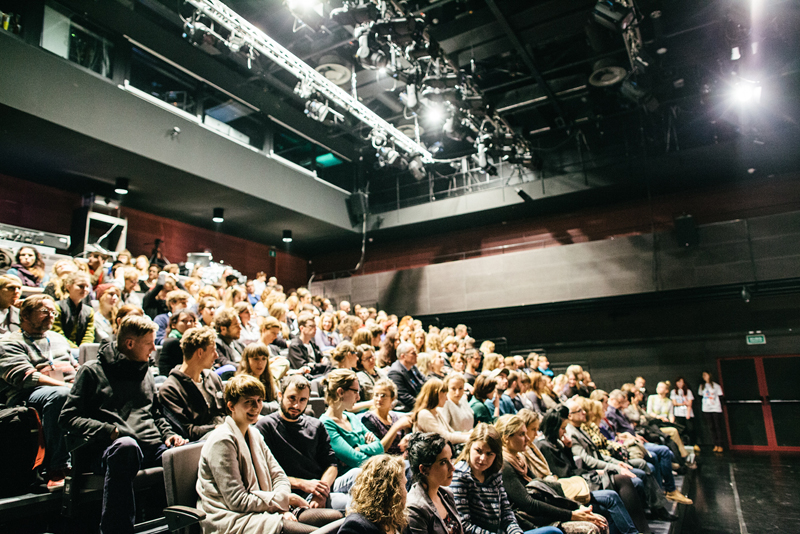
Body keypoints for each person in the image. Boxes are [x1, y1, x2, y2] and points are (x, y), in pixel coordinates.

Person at [59, 315, 188, 534]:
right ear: (130, 343)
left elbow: (155, 413)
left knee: (189, 451)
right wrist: (108, 430)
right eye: (149, 343)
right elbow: (68, 417)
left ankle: (186, 527)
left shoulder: (144, 370)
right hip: (109, 450)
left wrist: (168, 435)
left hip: (150, 445)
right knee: (126, 447)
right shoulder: (91, 371)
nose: (153, 349)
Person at [197, 374, 338, 534]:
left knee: (336, 518)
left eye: (258, 400)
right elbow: (237, 501)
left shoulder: (254, 434)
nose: (256, 407)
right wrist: (285, 500)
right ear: (231, 406)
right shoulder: (222, 440)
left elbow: (279, 476)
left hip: (267, 507)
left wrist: (282, 505)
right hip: (233, 517)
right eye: (248, 402)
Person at [0, 294, 75, 489]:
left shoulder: (58, 339)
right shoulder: (9, 342)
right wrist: (65, 387)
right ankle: (57, 468)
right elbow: (25, 377)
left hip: (66, 388)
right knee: (60, 396)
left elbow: (75, 366)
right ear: (24, 315)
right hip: (28, 395)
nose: (51, 315)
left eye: (53, 312)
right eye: (44, 312)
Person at [256, 375, 360, 512]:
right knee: (350, 503)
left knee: (360, 474)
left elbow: (331, 465)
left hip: (321, 487)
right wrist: (303, 484)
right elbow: (264, 474)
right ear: (280, 396)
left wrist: (320, 492)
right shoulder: (265, 427)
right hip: (294, 492)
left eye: (302, 400)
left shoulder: (316, 425)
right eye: (292, 398)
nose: (296, 405)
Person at [535, 408, 645, 534]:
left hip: (579, 480)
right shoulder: (544, 445)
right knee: (613, 494)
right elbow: (565, 473)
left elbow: (571, 467)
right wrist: (596, 472)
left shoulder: (557, 443)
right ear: (553, 428)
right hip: (572, 486)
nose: (565, 432)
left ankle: (637, 530)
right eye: (562, 428)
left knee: (622, 481)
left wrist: (567, 449)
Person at [495, 415, 608, 534]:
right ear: (506, 438)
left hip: (541, 514)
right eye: (522, 434)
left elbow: (545, 489)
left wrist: (577, 507)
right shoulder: (504, 465)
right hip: (528, 522)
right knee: (591, 528)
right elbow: (529, 504)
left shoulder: (519, 458)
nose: (527, 438)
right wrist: (572, 515)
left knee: (599, 519)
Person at [450, 423, 561, 534]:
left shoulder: (494, 474)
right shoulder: (460, 476)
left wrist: (515, 532)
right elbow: (464, 525)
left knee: (553, 532)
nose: (483, 458)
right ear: (469, 447)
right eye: (478, 451)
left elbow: (506, 513)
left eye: (489, 454)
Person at [320, 369, 403, 469]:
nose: (358, 397)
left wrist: (359, 448)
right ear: (340, 392)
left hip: (368, 472)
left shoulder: (351, 417)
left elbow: (380, 447)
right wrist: (368, 447)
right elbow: (356, 460)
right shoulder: (326, 424)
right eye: (355, 392)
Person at [158, 326, 226, 441]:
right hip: (200, 444)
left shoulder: (213, 377)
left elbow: (227, 410)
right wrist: (216, 428)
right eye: (213, 350)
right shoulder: (170, 389)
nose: (216, 355)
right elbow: (187, 430)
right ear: (200, 352)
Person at [405, 432, 463, 534]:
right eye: (443, 462)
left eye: (450, 459)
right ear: (424, 469)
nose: (452, 467)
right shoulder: (415, 509)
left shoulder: (446, 494)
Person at [337, 455, 407, 534]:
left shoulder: (399, 520)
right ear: (392, 491)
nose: (406, 492)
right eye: (404, 485)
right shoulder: (355, 527)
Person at [361, 378, 412, 455]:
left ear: (392, 399)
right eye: (376, 395)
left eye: (383, 396)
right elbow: (377, 451)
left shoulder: (394, 416)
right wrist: (395, 428)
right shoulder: (368, 419)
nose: (379, 399)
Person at [412, 378, 469, 445]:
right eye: (445, 395)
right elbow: (444, 437)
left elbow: (451, 432)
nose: (446, 399)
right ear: (437, 394)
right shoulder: (424, 414)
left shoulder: (436, 411)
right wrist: (468, 438)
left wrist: (469, 434)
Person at [51, 271, 95, 348]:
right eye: (80, 286)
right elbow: (57, 332)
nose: (85, 289)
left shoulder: (89, 311)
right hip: (60, 347)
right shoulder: (57, 307)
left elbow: (89, 335)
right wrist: (75, 348)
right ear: (68, 287)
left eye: (87, 286)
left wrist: (83, 348)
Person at [236, 343, 280, 415]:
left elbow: (280, 403)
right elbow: (253, 407)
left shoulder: (268, 380)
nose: (260, 363)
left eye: (264, 359)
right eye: (256, 359)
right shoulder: (242, 383)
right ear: (247, 360)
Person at [387, 342, 426, 412]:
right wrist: (423, 404)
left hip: (420, 401)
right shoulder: (395, 373)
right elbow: (404, 397)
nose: (417, 355)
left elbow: (425, 381)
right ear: (403, 356)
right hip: (408, 408)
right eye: (413, 353)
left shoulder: (412, 367)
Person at [157, 310, 198, 376]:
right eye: (184, 321)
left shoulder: (192, 341)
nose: (189, 324)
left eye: (191, 321)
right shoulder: (173, 342)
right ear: (173, 325)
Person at [288, 312, 329, 377]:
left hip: (318, 375)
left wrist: (318, 363)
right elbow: (305, 368)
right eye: (311, 326)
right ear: (302, 328)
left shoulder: (312, 344)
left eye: (315, 326)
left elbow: (322, 359)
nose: (315, 329)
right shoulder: (295, 346)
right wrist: (319, 365)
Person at [698, 371, 725, 453]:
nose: (704, 377)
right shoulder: (702, 386)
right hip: (706, 408)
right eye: (703, 375)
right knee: (711, 427)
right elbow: (701, 395)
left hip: (715, 408)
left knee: (717, 426)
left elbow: (720, 396)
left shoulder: (716, 386)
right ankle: (715, 444)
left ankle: (720, 444)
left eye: (705, 375)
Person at [670, 378, 697, 450]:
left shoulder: (688, 391)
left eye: (681, 382)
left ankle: (693, 444)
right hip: (678, 414)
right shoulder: (674, 392)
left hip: (687, 413)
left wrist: (688, 413)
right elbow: (674, 403)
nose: (679, 384)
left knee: (690, 429)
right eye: (678, 382)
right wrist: (683, 403)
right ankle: (682, 444)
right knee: (680, 429)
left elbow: (689, 403)